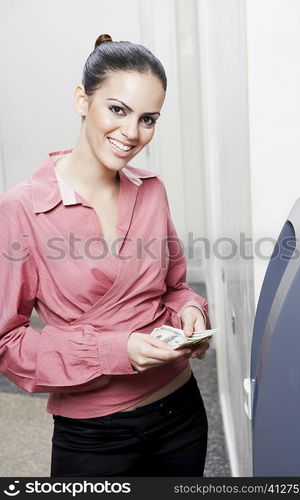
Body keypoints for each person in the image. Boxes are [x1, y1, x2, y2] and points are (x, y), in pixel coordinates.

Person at [0, 34, 211, 477]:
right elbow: (8, 342)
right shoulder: (21, 208)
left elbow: (174, 288)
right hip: (95, 433)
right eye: (117, 109)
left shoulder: (151, 189)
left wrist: (190, 312)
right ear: (82, 100)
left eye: (148, 118)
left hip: (182, 412)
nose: (132, 133)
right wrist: (117, 350)